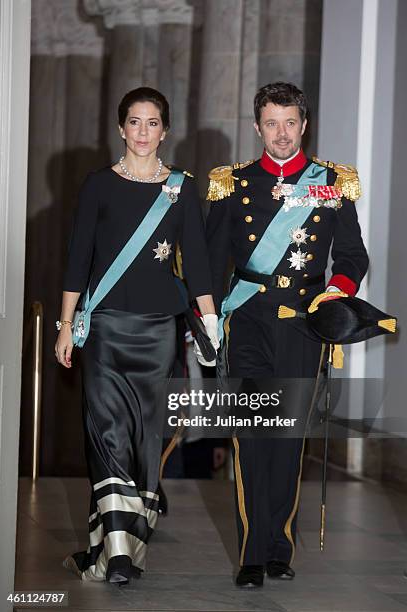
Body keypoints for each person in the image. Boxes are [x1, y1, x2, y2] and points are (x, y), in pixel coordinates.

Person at [204, 82, 368, 588]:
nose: (282, 133)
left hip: (302, 327)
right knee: (252, 438)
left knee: (287, 441)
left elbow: (352, 257)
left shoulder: (332, 183)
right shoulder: (231, 184)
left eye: (290, 122)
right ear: (257, 127)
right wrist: (207, 322)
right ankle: (252, 553)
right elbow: (211, 263)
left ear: (304, 124)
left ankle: (280, 546)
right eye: (271, 123)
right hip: (248, 323)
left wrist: (335, 293)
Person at [55, 87, 218, 585]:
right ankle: (120, 552)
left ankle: (116, 546)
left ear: (165, 130)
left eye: (152, 123)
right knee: (106, 434)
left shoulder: (182, 188)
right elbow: (78, 257)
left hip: (158, 334)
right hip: (104, 329)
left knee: (148, 437)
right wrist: (66, 325)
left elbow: (199, 263)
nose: (143, 132)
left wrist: (210, 325)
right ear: (121, 128)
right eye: (134, 121)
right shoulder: (99, 185)